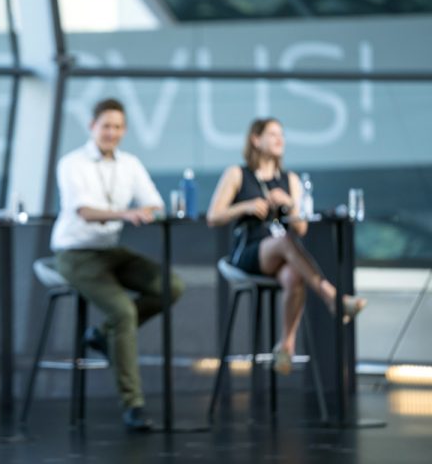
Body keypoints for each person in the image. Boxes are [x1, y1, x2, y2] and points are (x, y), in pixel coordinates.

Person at [51, 97, 184, 432]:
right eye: (106, 125)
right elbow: (84, 211)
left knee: (172, 286)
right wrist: (127, 214)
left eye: (118, 127)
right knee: (123, 311)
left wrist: (147, 211)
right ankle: (133, 405)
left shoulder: (129, 164)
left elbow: (152, 201)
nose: (112, 132)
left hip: (109, 250)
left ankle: (102, 335)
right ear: (92, 126)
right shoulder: (72, 163)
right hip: (75, 251)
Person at [206, 117, 367, 375]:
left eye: (281, 134)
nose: (279, 139)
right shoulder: (237, 174)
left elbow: (301, 228)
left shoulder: (289, 179)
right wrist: (246, 206)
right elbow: (213, 216)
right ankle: (331, 296)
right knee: (284, 242)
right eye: (272, 134)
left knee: (294, 275)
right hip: (248, 251)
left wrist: (290, 205)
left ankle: (285, 343)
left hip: (282, 252)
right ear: (255, 139)